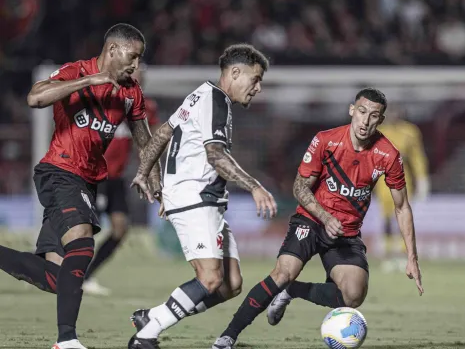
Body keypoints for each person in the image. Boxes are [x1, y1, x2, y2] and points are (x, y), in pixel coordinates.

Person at [212, 88, 424, 349]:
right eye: (361, 112)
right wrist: (325, 217)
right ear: (351, 110)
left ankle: (292, 291)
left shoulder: (388, 155)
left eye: (373, 116)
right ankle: (228, 336)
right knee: (283, 272)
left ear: (380, 120)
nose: (365, 121)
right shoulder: (326, 140)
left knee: (353, 295)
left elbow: (402, 207)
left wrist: (412, 258)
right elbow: (299, 187)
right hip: (312, 220)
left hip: (346, 232)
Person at [0, 23, 161, 349]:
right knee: (82, 245)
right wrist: (90, 80)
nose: (136, 66)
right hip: (59, 172)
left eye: (140, 60)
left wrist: (150, 176)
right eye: (133, 57)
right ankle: (67, 341)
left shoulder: (131, 93)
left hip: (89, 181)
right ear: (113, 50)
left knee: (56, 278)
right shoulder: (78, 72)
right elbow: (35, 98)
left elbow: (145, 141)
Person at [127, 43, 278, 349]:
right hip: (196, 198)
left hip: (202, 200)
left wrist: (146, 174)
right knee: (210, 279)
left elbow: (162, 134)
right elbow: (215, 155)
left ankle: (153, 316)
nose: (258, 88)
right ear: (235, 72)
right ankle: (145, 336)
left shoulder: (201, 94)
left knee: (230, 284)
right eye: (256, 79)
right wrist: (254, 186)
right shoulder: (216, 101)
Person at [82, 65, 159, 296]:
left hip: (115, 178)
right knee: (84, 228)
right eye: (133, 74)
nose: (138, 79)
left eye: (141, 76)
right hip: (93, 174)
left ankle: (86, 275)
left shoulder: (146, 108)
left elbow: (148, 142)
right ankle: (54, 265)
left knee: (120, 228)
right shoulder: (105, 101)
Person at [374, 105, 430, 272]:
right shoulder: (378, 132)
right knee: (386, 219)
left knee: (403, 216)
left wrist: (422, 179)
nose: (393, 115)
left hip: (404, 178)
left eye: (396, 112)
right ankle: (387, 255)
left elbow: (417, 157)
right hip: (383, 180)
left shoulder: (410, 131)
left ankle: (403, 255)